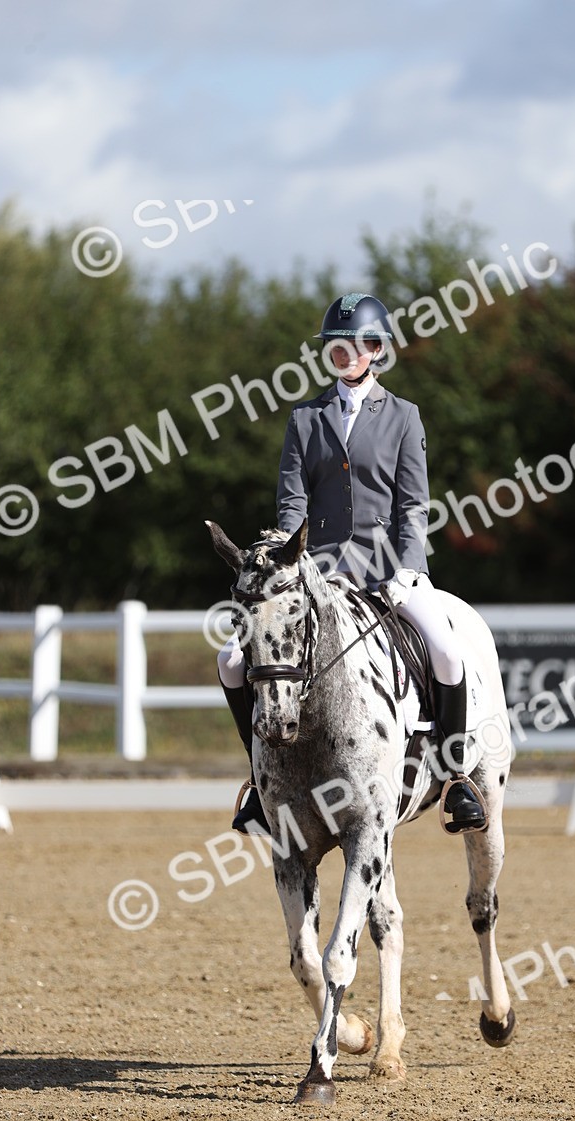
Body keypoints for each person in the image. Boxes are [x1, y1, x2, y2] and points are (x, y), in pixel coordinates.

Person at [218, 292, 486, 835]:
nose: (344, 353)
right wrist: (287, 560)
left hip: (392, 568)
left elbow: (413, 504)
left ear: (377, 349)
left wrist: (408, 566)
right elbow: (292, 503)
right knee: (230, 659)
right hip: (318, 573)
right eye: (335, 346)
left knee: (447, 650)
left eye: (356, 344)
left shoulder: (404, 417)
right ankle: (259, 780)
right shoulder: (305, 418)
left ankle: (456, 778)